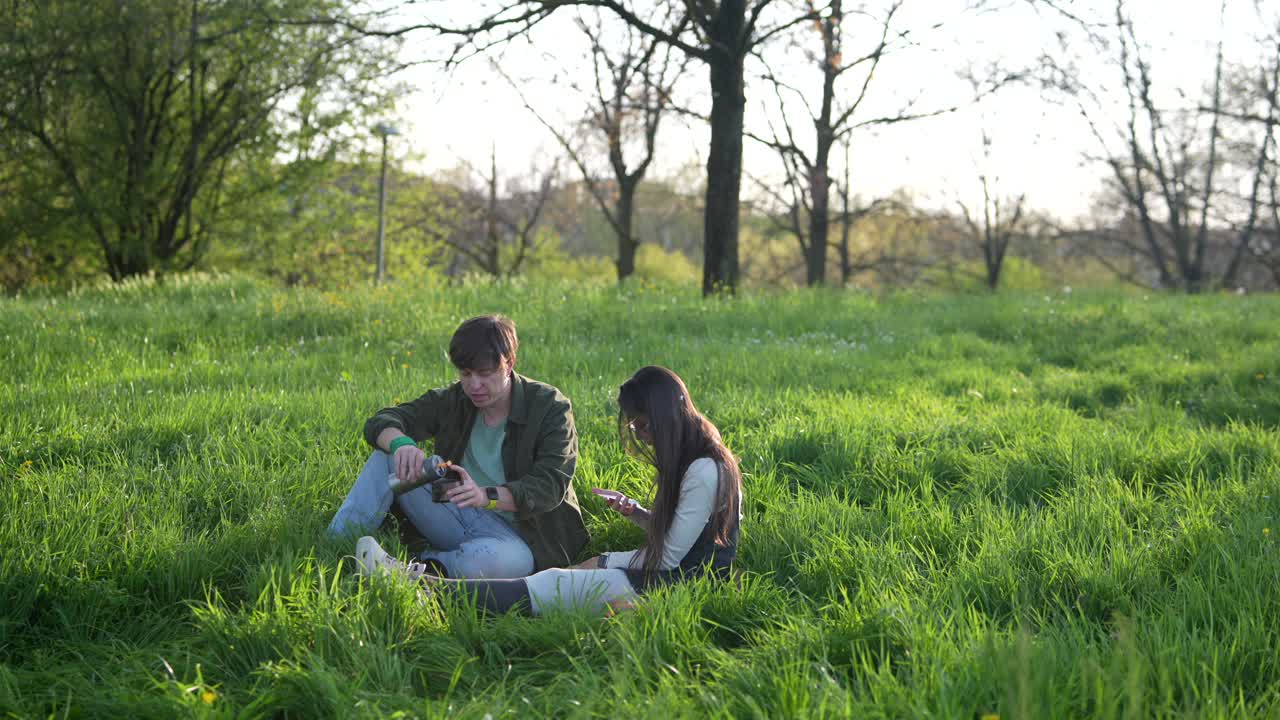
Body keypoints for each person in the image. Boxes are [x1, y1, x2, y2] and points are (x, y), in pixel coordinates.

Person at [354, 365, 743, 616]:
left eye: (642, 425)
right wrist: (639, 513)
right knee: (551, 583)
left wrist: (608, 559)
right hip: (668, 579)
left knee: (549, 586)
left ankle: (419, 585)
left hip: (676, 589)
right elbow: (686, 536)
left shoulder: (705, 469)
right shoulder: (699, 455)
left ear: (664, 418)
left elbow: (671, 558)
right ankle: (422, 582)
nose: (641, 435)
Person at [327, 315, 587, 579]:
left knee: (513, 563)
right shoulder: (455, 399)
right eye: (465, 374)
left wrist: (486, 496)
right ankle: (336, 549)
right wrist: (401, 444)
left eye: (485, 374)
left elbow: (549, 487)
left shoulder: (551, 406)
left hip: (523, 538)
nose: (474, 385)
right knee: (387, 456)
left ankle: (418, 567)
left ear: (509, 364)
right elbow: (381, 421)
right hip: (456, 511)